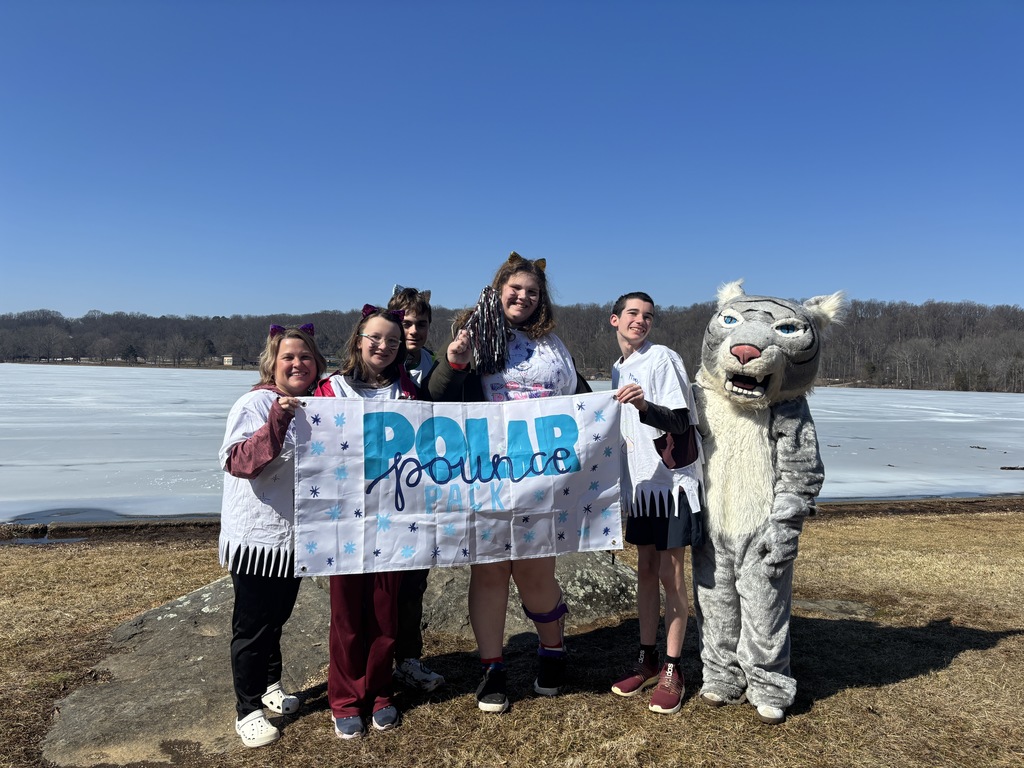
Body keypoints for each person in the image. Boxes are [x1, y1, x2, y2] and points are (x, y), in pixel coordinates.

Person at [428, 251, 590, 714]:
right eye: (515, 289)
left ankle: (553, 649)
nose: (523, 297)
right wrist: (455, 363)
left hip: (544, 473)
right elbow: (439, 398)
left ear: (542, 300)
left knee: (537, 570)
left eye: (533, 292)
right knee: (491, 569)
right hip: (488, 472)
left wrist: (607, 412)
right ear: (498, 289)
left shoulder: (553, 345)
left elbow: (578, 399)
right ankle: (493, 667)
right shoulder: (472, 336)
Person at [315, 305, 425, 739]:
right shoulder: (329, 390)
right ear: (358, 340)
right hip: (341, 521)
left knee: (384, 611)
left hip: (392, 518)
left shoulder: (408, 394)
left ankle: (380, 691)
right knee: (346, 613)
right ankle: (344, 697)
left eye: (393, 341)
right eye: (375, 338)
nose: (383, 346)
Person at [219, 323, 327, 748]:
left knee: (277, 619)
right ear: (273, 363)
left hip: (294, 536)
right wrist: (276, 420)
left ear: (317, 363)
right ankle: (247, 710)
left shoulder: (317, 405)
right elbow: (240, 460)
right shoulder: (254, 403)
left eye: (305, 357)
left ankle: (269, 685)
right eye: (288, 357)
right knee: (253, 626)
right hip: (256, 538)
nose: (298, 363)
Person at [606, 292, 703, 715]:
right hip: (640, 486)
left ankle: (673, 667)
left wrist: (645, 405)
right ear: (614, 320)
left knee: (671, 573)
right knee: (645, 570)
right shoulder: (618, 368)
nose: (640, 321)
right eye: (632, 314)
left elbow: (682, 419)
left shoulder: (662, 358)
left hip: (673, 484)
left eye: (647, 316)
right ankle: (646, 659)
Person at [385, 285, 445, 693]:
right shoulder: (373, 364)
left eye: (420, 323)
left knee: (412, 582)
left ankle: (408, 659)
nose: (413, 330)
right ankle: (374, 662)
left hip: (422, 491)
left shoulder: (438, 366)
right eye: (405, 322)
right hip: (378, 491)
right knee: (378, 584)